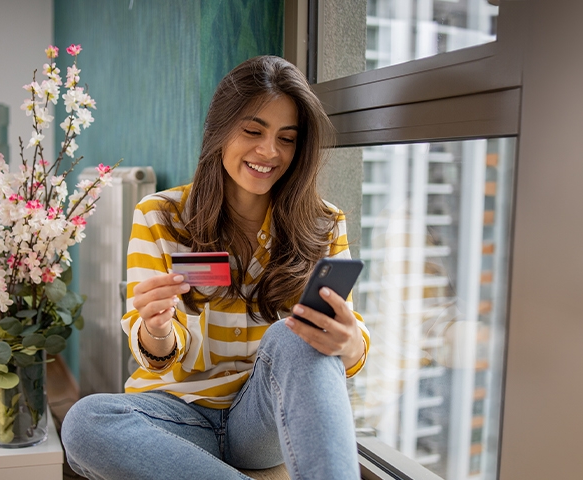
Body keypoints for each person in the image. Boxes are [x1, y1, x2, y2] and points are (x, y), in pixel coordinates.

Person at [61, 55, 370, 479]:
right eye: (253, 131)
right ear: (220, 130)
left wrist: (350, 342)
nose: (269, 151)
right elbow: (155, 354)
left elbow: (339, 350)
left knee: (296, 335)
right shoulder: (160, 215)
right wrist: (156, 329)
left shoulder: (324, 223)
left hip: (260, 423)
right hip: (177, 417)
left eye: (287, 138)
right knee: (85, 422)